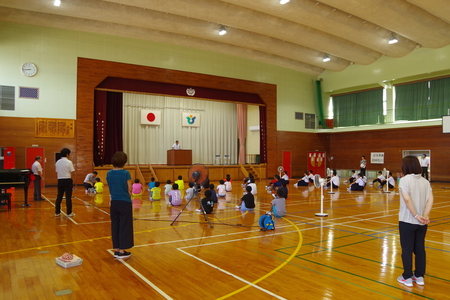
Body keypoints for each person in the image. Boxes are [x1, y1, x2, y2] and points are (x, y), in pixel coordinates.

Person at [397, 155, 434, 287]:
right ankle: (419, 276)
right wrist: (425, 215)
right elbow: (430, 199)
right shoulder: (425, 181)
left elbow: (407, 200)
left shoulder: (404, 180)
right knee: (420, 249)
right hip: (422, 223)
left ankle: (407, 277)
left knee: (407, 249)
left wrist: (417, 215)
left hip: (407, 221)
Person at [106, 151, 133, 259]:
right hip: (124, 202)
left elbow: (109, 186)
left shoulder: (109, 173)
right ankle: (122, 250)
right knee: (125, 225)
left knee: (115, 225)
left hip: (114, 202)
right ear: (124, 162)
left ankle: (117, 249)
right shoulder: (126, 173)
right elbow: (129, 189)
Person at [55, 148, 75, 217]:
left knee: (59, 196)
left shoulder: (57, 162)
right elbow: (72, 171)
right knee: (68, 197)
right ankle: (69, 212)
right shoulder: (69, 162)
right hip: (67, 180)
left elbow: (57, 171)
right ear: (67, 154)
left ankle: (57, 212)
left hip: (60, 180)